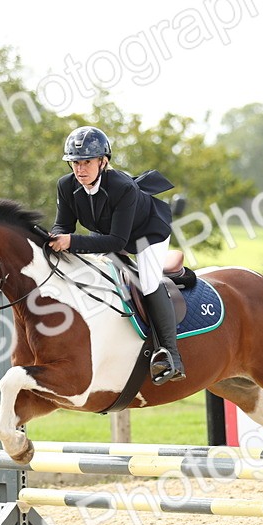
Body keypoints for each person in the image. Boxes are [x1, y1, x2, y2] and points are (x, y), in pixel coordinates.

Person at [48, 125, 185, 384]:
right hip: (110, 235)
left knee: (147, 282)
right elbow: (63, 226)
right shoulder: (66, 186)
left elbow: (116, 241)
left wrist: (70, 241)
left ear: (103, 161)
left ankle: (171, 356)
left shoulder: (122, 187)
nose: (80, 169)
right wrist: (54, 238)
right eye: (75, 163)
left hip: (147, 235)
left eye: (87, 162)